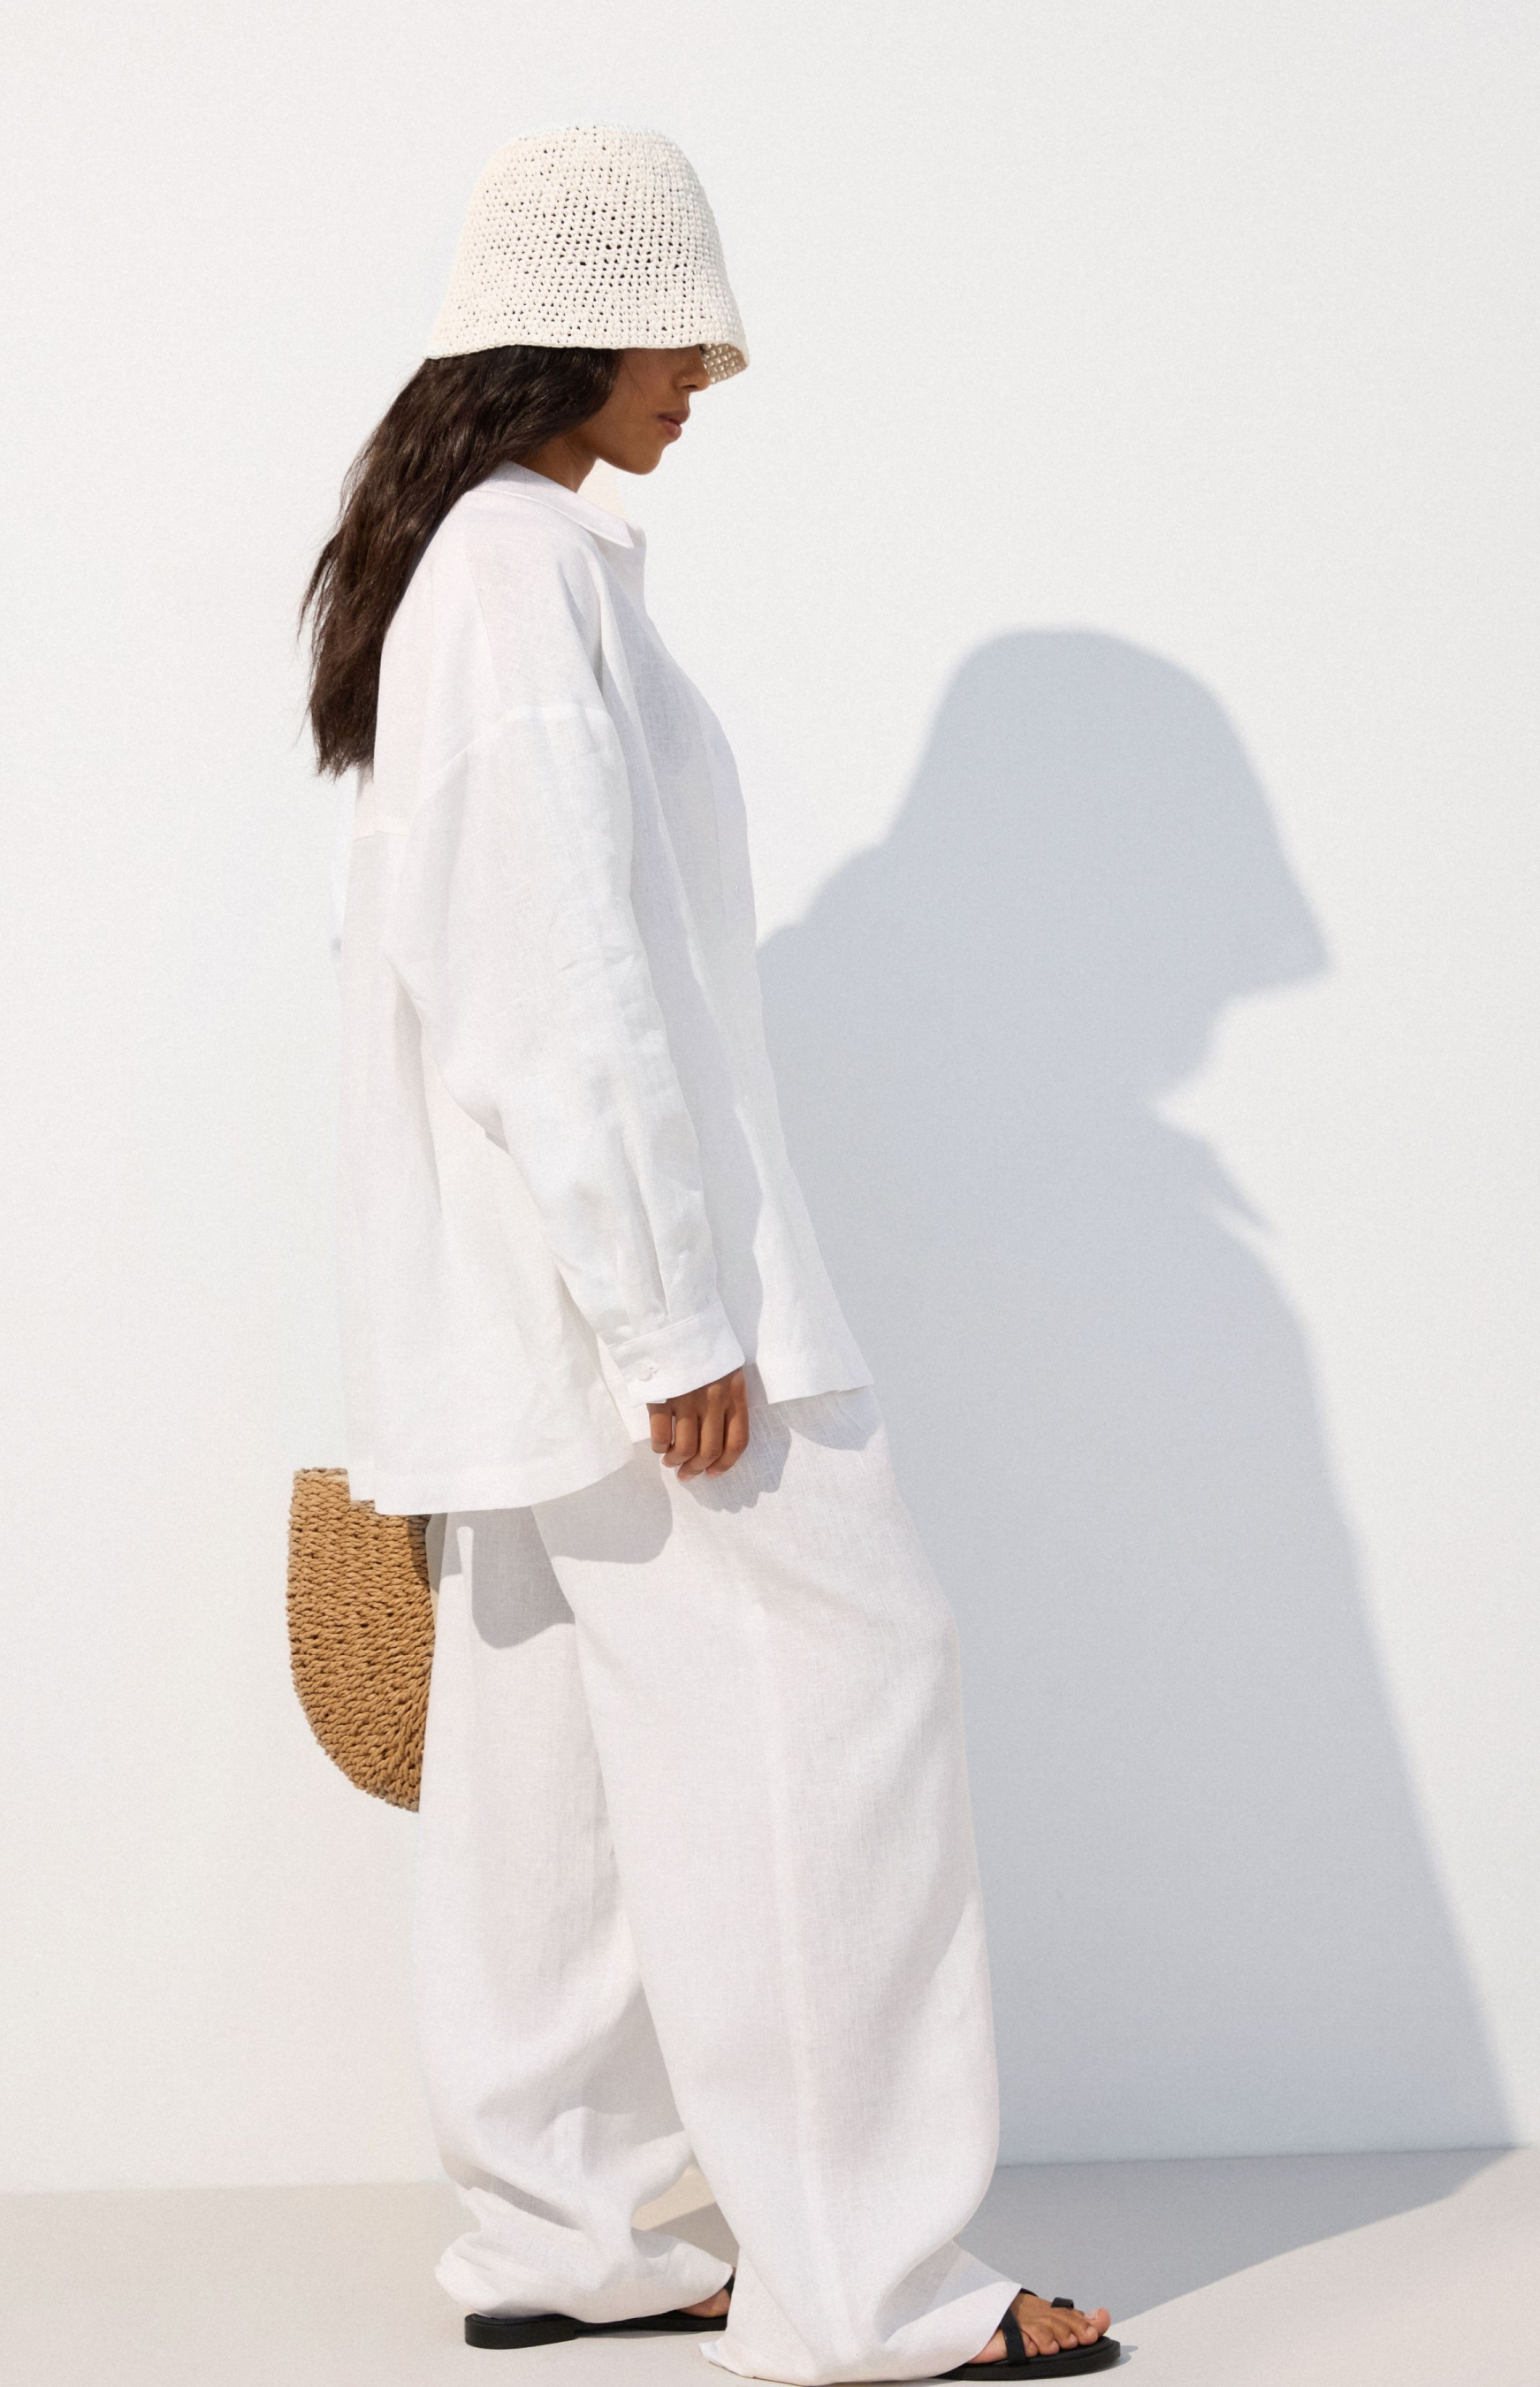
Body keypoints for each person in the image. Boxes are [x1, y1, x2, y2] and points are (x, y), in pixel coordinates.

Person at [305, 125, 1117, 2384]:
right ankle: (865, 2287)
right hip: (627, 1309)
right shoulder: (515, 576)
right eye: (682, 330)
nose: (706, 377)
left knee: (549, 1780)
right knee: (839, 1704)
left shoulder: (474, 569)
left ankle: (558, 2229)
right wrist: (668, 1308)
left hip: (522, 1314)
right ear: (575, 324)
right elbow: (550, 975)